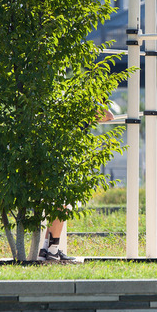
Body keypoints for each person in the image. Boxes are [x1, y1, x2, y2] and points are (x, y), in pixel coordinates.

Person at [38, 103, 116, 262]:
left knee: (56, 205)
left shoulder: (67, 105)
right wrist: (96, 106)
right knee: (62, 205)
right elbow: (109, 116)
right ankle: (52, 250)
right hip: (67, 160)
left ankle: (47, 250)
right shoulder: (86, 104)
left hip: (55, 156)